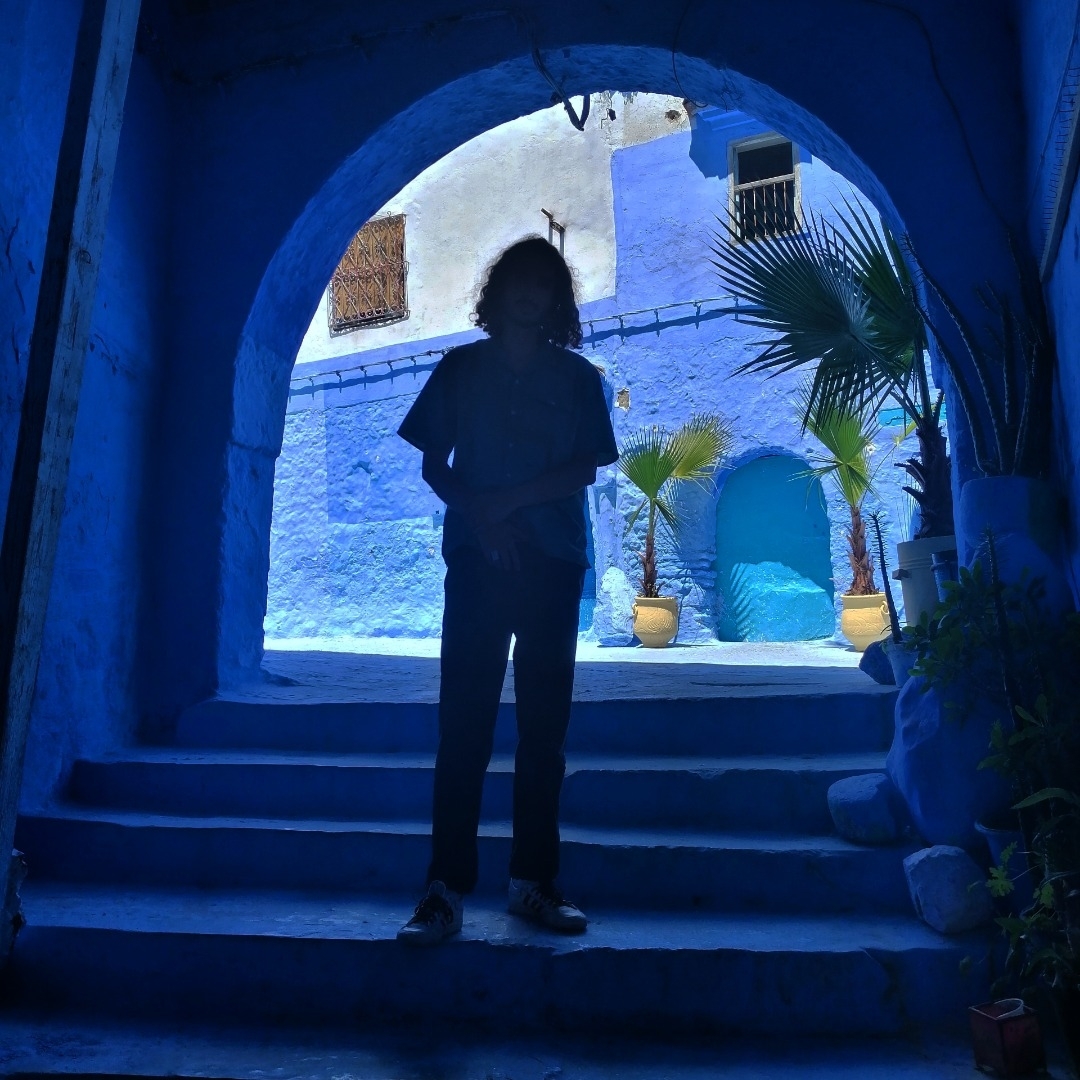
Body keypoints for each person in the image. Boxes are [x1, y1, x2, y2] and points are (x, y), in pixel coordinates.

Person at [395, 237, 618, 946]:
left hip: (551, 562)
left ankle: (533, 884)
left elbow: (584, 469)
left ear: (557, 299)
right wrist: (482, 519)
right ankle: (443, 892)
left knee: (543, 732)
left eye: (542, 283)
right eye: (518, 280)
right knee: (463, 726)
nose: (529, 292)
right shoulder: (460, 369)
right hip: (478, 561)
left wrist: (506, 504)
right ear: (496, 291)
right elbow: (434, 465)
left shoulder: (578, 378)